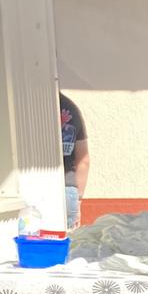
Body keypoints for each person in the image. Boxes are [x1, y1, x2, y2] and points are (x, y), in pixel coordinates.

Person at [59, 92, 89, 230]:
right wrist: (78, 200)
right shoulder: (71, 108)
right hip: (68, 188)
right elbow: (83, 160)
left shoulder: (27, 103)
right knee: (67, 244)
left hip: (35, 187)